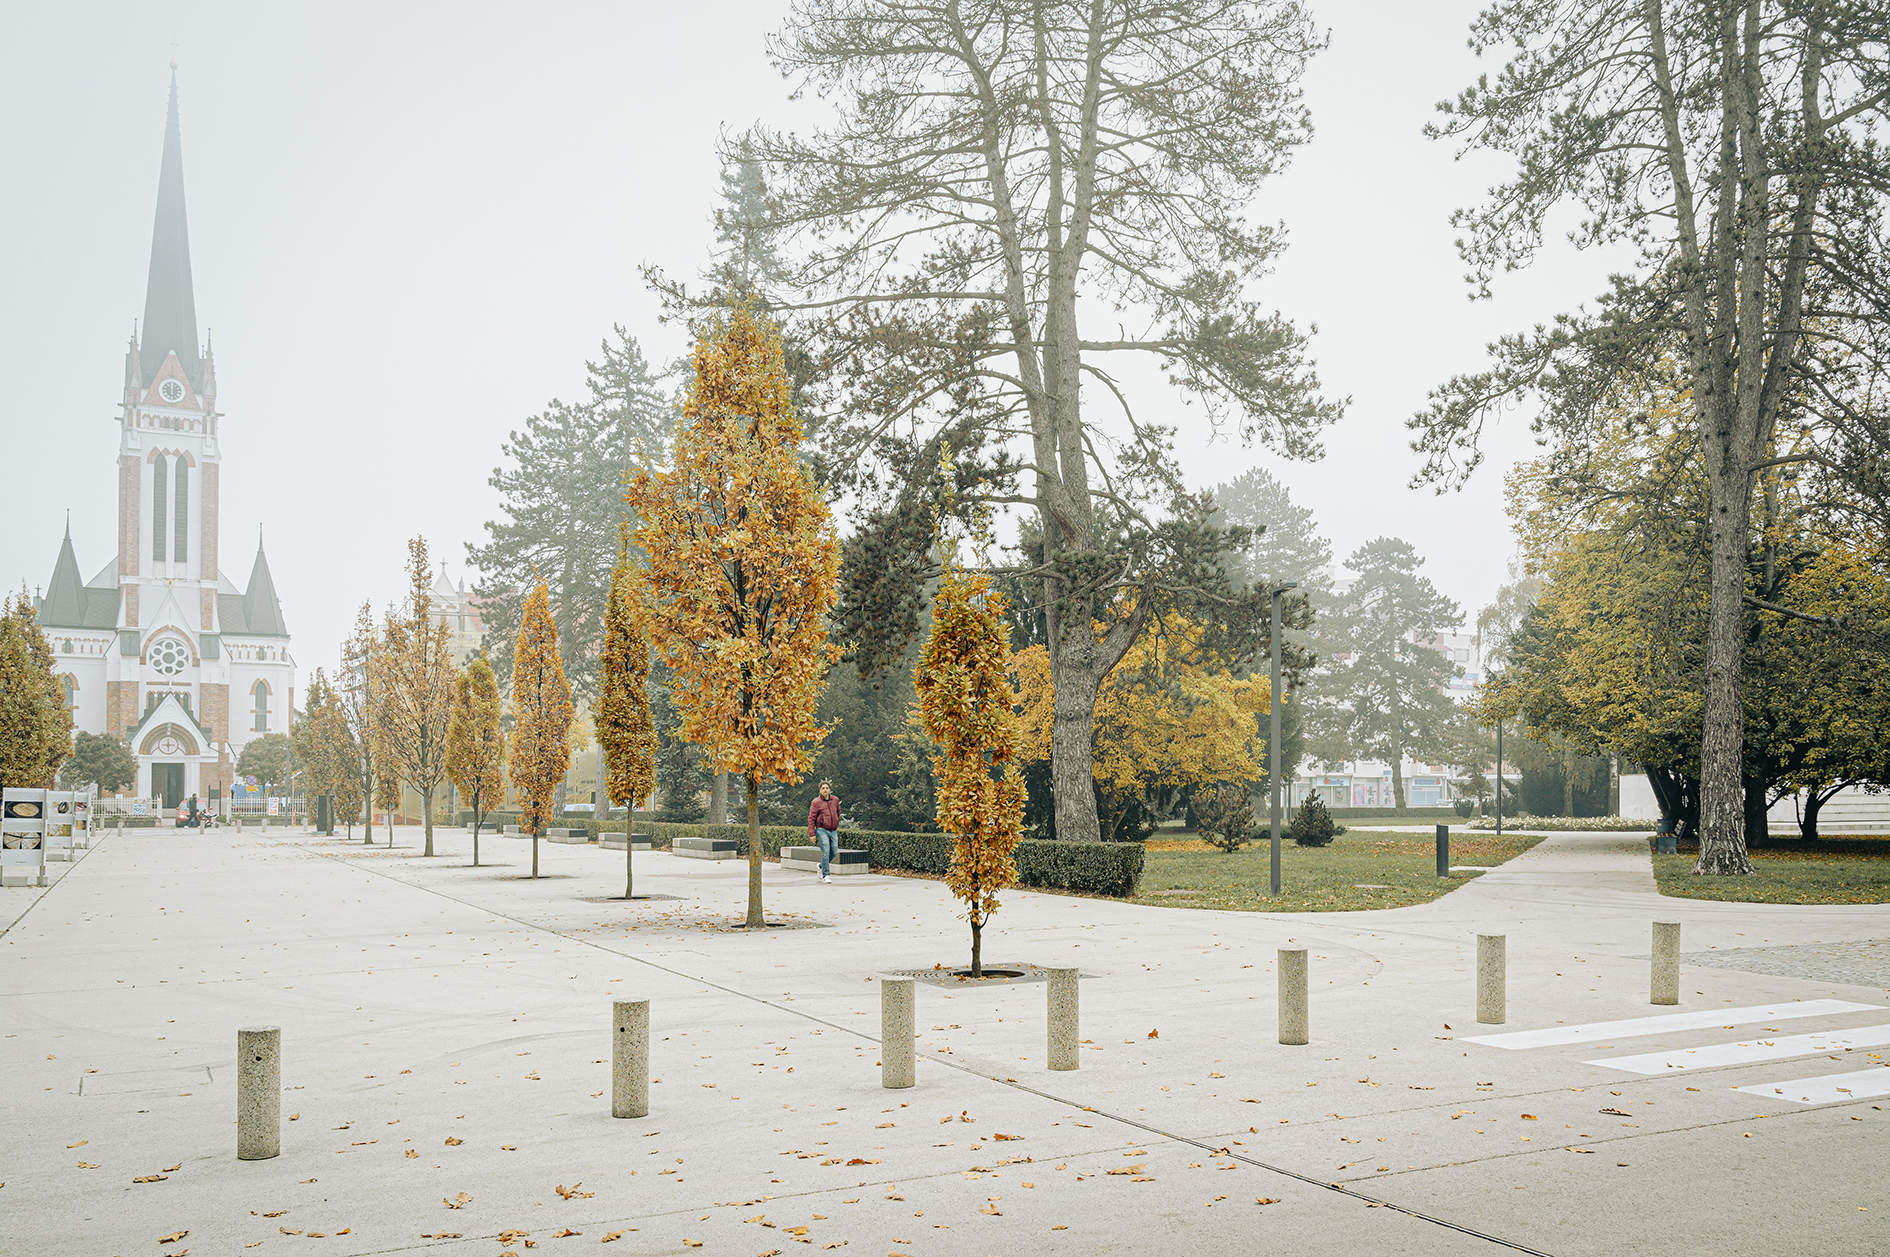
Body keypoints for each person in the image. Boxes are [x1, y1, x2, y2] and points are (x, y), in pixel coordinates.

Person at [807, 780, 842, 883]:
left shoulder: (835, 800)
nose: (825, 790)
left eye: (827, 788)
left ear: (830, 789)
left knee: (834, 851)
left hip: (833, 830)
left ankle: (821, 865)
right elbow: (811, 818)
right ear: (820, 790)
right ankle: (826, 875)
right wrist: (812, 834)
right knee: (825, 852)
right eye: (823, 788)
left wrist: (835, 822)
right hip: (822, 830)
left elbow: (838, 812)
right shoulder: (816, 802)